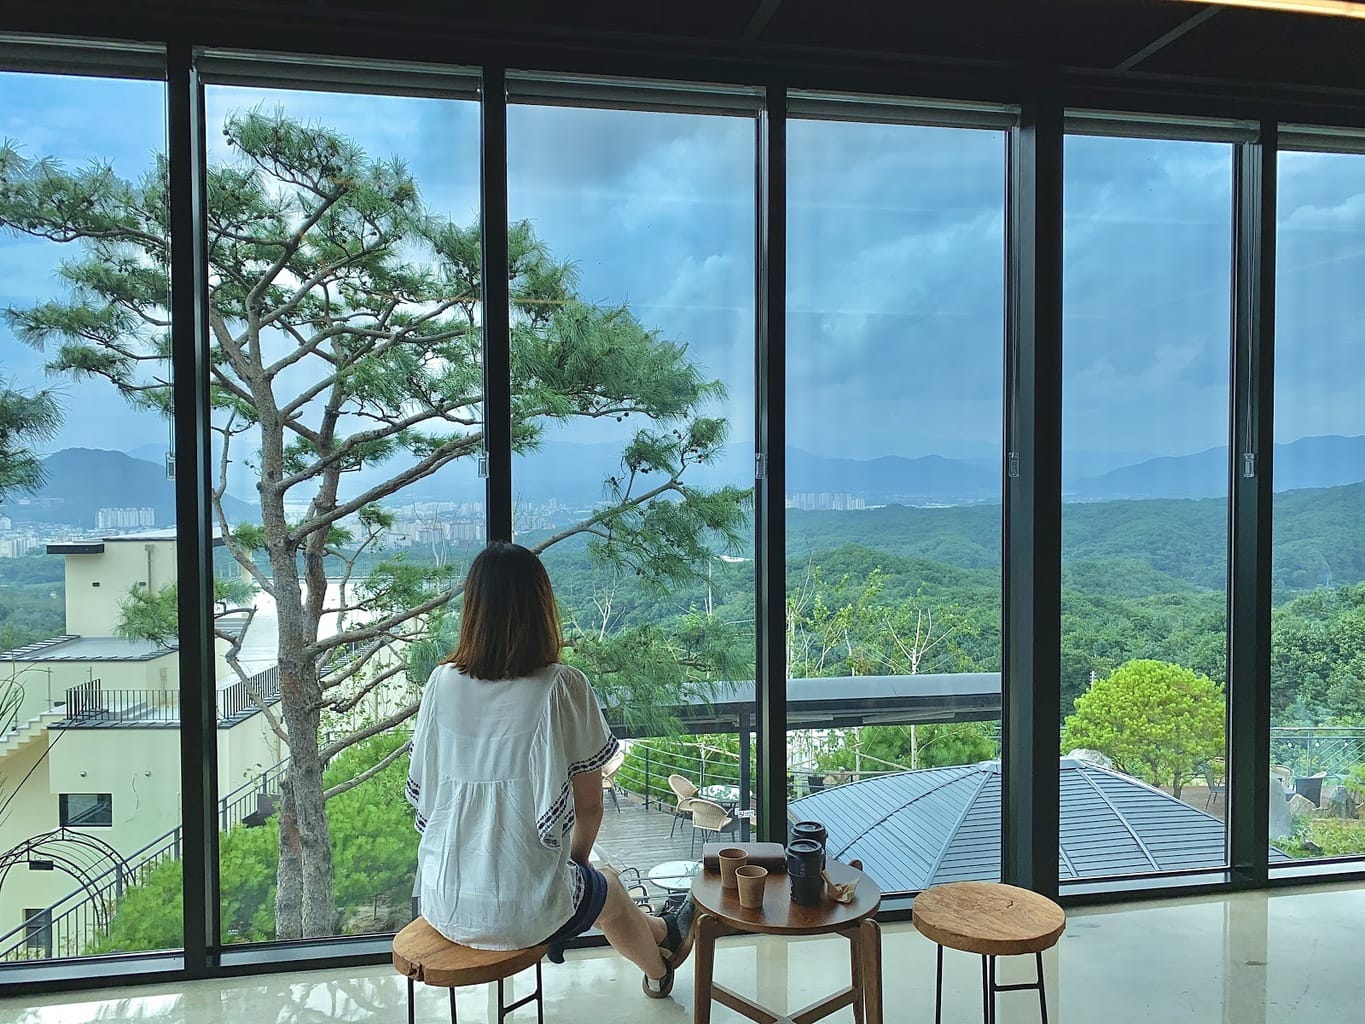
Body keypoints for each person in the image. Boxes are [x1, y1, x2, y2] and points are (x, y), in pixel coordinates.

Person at [405, 541, 695, 997]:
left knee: (598, 883)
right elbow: (591, 807)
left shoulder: (440, 683)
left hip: (442, 896)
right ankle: (660, 971)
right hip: (520, 910)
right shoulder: (562, 686)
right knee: (609, 890)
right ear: (541, 608)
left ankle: (662, 932)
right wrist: (575, 864)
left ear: (472, 609)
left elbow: (426, 798)